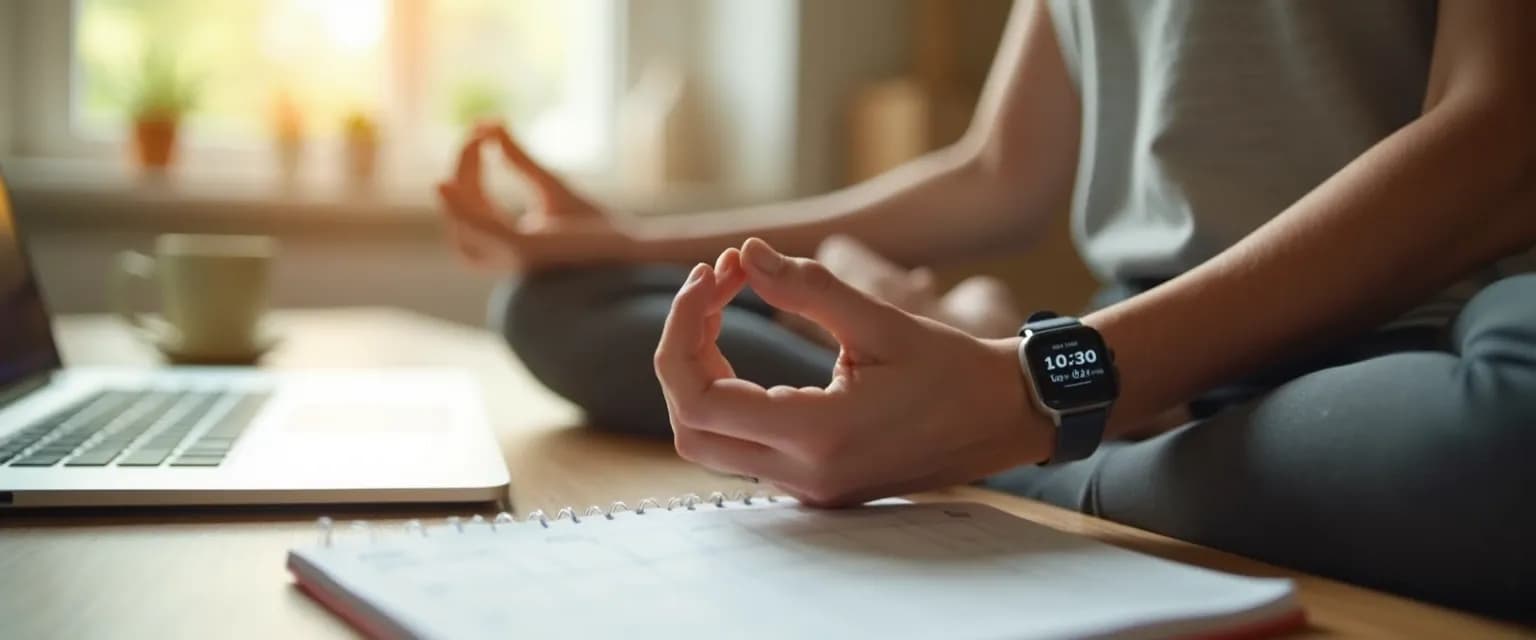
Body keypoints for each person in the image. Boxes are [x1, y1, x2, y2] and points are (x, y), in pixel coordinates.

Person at [438, 0, 1536, 618]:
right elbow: (997, 171)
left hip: (1402, 354)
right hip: (1135, 364)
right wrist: (635, 244)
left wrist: (1025, 388)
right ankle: (995, 408)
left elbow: (1500, 137)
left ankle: (1000, 435)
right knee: (557, 304)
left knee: (1512, 448)